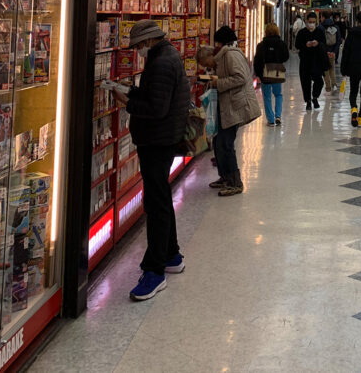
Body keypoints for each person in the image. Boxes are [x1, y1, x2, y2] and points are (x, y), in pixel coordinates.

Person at [112, 20, 190, 301]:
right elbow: (159, 96)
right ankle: (171, 255)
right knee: (161, 198)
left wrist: (127, 102)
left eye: (138, 46)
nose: (137, 52)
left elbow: (156, 108)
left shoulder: (161, 63)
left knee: (155, 205)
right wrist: (132, 91)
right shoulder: (166, 56)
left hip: (157, 141)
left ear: (148, 42)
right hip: (162, 139)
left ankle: (154, 271)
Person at [198, 27, 261, 196]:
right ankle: (225, 176)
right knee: (219, 143)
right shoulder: (221, 59)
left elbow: (241, 78)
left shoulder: (231, 55)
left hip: (234, 106)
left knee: (226, 144)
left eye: (207, 64)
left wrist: (218, 83)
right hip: (225, 106)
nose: (209, 67)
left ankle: (235, 182)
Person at [253, 22, 289, 126]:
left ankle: (271, 119)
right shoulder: (281, 44)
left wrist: (259, 74)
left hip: (265, 73)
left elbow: (257, 61)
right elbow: (286, 57)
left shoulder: (261, 45)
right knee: (278, 94)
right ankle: (278, 116)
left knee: (267, 96)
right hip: (277, 72)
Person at [295, 12, 328, 110]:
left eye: (313, 22)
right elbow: (297, 45)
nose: (311, 24)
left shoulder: (320, 32)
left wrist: (318, 43)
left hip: (317, 61)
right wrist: (305, 45)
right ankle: (308, 101)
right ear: (306, 21)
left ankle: (315, 97)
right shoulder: (302, 33)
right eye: (310, 22)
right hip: (305, 61)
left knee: (319, 81)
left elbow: (324, 44)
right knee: (305, 82)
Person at [320, 11, 341, 94]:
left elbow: (320, 41)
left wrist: (325, 52)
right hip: (332, 52)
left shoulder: (321, 27)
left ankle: (328, 87)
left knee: (325, 69)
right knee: (332, 68)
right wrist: (334, 51)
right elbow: (338, 40)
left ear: (323, 17)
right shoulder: (336, 26)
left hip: (324, 52)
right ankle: (334, 85)